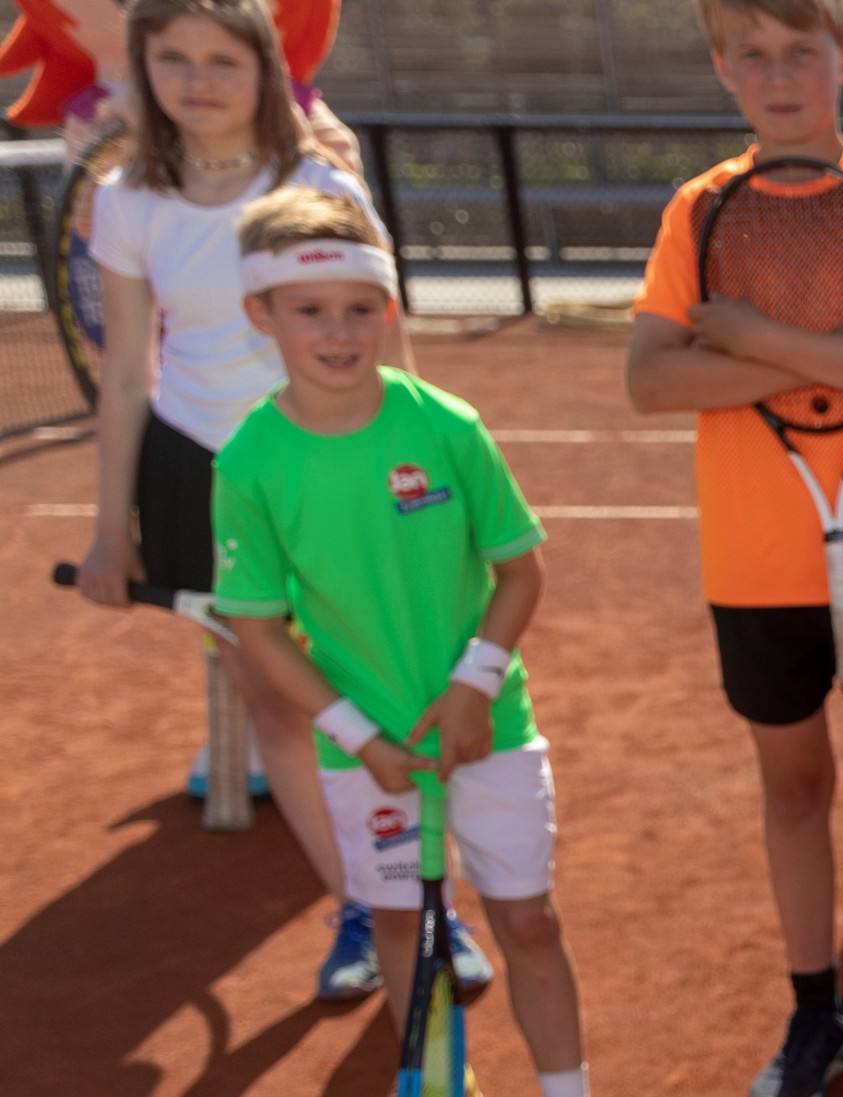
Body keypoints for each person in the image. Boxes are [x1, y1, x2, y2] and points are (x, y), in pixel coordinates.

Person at [622, 0, 843, 1093]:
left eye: (802, 53)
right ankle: (816, 1010)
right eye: (755, 57)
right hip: (756, 563)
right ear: (725, 71)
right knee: (794, 788)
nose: (782, 76)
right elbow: (651, 378)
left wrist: (755, 337)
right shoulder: (699, 209)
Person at [69, 0, 447, 1006]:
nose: (198, 80)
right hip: (199, 471)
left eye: (221, 59)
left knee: (381, 684)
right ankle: (365, 909)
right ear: (145, 71)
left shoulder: (320, 181)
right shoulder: (125, 198)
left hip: (331, 465)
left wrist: (417, 480)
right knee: (276, 698)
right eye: (174, 59)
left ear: (265, 70)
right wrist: (114, 529)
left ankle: (430, 899)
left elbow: (386, 340)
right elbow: (124, 377)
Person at [213, 188, 588, 1097]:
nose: (339, 333)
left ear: (387, 308)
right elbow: (256, 628)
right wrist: (361, 737)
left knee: (529, 922)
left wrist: (471, 688)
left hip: (490, 727)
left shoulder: (448, 426)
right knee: (395, 931)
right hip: (367, 753)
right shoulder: (249, 461)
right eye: (310, 312)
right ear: (260, 313)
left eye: (359, 309)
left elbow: (521, 571)